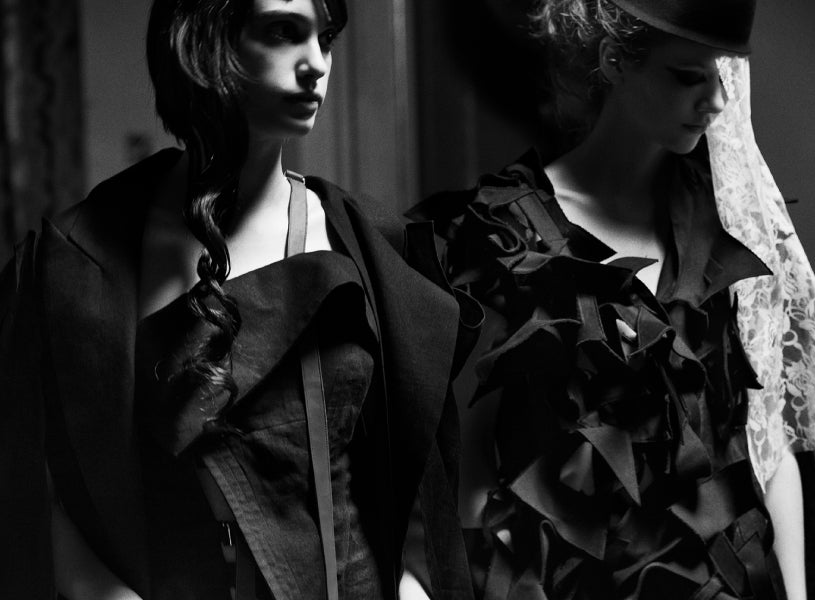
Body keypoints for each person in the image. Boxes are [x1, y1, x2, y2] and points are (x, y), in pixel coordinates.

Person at [0, 0, 470, 598]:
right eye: (283, 32)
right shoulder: (77, 259)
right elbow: (41, 488)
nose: (316, 64)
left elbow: (411, 493)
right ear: (207, 43)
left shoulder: (366, 245)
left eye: (325, 38)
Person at [406, 0, 815, 598]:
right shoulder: (497, 235)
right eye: (687, 76)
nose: (716, 101)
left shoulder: (730, 230)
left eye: (721, 74)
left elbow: (770, 452)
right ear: (615, 61)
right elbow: (464, 465)